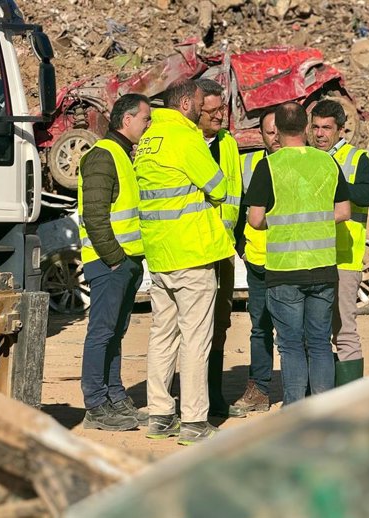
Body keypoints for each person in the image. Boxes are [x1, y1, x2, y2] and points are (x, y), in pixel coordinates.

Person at [134, 79, 232, 445]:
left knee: (163, 335)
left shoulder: (149, 139)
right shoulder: (185, 136)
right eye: (197, 104)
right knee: (195, 339)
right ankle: (194, 420)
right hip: (192, 252)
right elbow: (218, 187)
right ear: (187, 104)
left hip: (161, 253)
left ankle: (160, 415)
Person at [245, 102, 351, 406]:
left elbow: (254, 219)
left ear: (276, 130)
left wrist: (279, 220)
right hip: (322, 268)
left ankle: (295, 410)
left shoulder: (269, 166)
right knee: (319, 343)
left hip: (284, 271)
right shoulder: (328, 162)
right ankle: (324, 410)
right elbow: (343, 211)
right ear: (306, 127)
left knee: (290, 345)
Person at [78, 93, 152, 431]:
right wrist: (115, 260)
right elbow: (94, 216)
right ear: (127, 120)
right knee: (102, 333)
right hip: (110, 263)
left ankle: (115, 396)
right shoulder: (103, 156)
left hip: (124, 263)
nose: (148, 125)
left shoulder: (122, 155)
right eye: (145, 119)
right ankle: (95, 405)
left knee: (115, 333)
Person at [310, 99, 369, 386]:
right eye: (315, 127)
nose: (320, 134)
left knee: (344, 330)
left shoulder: (357, 159)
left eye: (327, 128)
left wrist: (333, 186)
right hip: (311, 257)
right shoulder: (306, 157)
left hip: (344, 259)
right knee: (314, 331)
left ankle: (350, 395)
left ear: (341, 130)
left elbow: (367, 196)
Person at [193, 78, 244, 418]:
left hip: (222, 248)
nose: (218, 117)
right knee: (192, 330)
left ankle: (214, 398)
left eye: (221, 110)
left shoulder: (228, 143)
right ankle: (188, 401)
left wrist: (236, 242)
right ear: (196, 110)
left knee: (220, 326)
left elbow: (234, 192)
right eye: (211, 111)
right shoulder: (185, 143)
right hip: (193, 250)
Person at [231, 108, 281, 413]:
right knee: (260, 327)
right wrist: (242, 246)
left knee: (297, 330)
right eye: (269, 131)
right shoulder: (248, 165)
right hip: (259, 262)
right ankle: (260, 389)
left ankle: (300, 391)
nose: (275, 137)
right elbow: (237, 207)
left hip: (294, 261)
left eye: (279, 130)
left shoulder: (301, 164)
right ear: (260, 135)